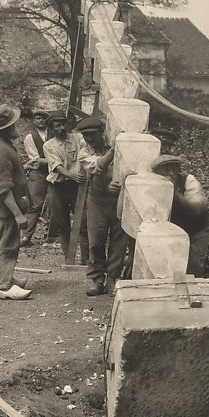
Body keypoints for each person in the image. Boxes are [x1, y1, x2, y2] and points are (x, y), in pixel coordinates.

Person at [0, 104, 32, 300]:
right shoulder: (0, 149)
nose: (16, 128)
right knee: (7, 245)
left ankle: (8, 277)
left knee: (9, 243)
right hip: (6, 209)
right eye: (14, 125)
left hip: (6, 208)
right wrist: (18, 214)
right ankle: (4, 286)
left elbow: (6, 173)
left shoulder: (0, 143)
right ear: (7, 128)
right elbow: (2, 187)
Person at [77, 117, 127, 296]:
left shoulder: (121, 146)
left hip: (119, 199)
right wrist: (115, 149)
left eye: (92, 135)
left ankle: (112, 278)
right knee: (96, 241)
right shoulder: (84, 153)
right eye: (85, 135)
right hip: (97, 200)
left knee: (118, 241)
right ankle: (97, 279)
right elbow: (98, 166)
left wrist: (121, 184)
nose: (89, 139)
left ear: (101, 132)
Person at [151, 154, 209, 277]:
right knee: (170, 265)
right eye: (166, 170)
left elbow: (197, 209)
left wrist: (174, 192)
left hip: (197, 227)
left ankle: (196, 292)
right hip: (174, 229)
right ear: (156, 174)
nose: (171, 173)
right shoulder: (152, 185)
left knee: (193, 264)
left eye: (174, 169)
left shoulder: (189, 181)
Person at [43, 112, 89, 264]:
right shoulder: (49, 145)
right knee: (63, 224)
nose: (62, 128)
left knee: (82, 222)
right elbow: (57, 167)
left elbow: (86, 151)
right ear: (51, 128)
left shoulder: (77, 138)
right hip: (58, 187)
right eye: (57, 126)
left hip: (77, 187)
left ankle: (85, 259)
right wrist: (72, 175)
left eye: (63, 124)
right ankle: (68, 259)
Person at [21, 109, 50, 246]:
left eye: (43, 118)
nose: (41, 121)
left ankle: (52, 234)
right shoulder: (30, 137)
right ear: (34, 121)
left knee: (55, 203)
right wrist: (55, 161)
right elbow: (36, 160)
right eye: (38, 118)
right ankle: (26, 236)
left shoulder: (52, 134)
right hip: (38, 173)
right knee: (35, 205)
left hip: (54, 172)